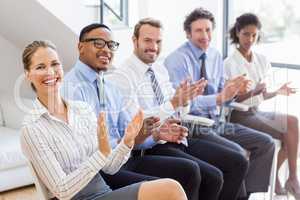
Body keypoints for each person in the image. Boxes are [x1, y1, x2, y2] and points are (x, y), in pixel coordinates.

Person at [20, 40, 187, 200]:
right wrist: (101, 155)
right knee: (170, 189)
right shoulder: (32, 129)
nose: (50, 72)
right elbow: (62, 191)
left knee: (171, 187)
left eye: (55, 64)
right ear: (28, 75)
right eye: (41, 67)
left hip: (104, 192)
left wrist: (127, 142)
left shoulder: (82, 109)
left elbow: (109, 168)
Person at [61, 23, 202, 200]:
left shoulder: (110, 87)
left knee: (189, 171)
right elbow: (87, 150)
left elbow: (129, 133)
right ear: (80, 47)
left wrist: (154, 135)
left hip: (125, 159)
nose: (106, 50)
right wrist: (128, 139)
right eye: (98, 43)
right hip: (99, 171)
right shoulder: (71, 87)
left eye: (111, 45)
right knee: (168, 188)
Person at [112, 18, 249, 200]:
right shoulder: (122, 76)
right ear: (134, 40)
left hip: (177, 136)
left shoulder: (159, 70)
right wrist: (174, 103)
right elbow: (138, 121)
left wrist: (185, 100)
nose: (153, 46)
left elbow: (178, 111)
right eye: (147, 40)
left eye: (158, 41)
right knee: (212, 177)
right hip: (152, 145)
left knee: (237, 161)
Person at [164, 7, 275, 199]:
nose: (205, 35)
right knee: (238, 155)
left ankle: (246, 194)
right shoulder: (177, 60)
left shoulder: (215, 55)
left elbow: (223, 93)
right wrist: (219, 98)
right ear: (188, 33)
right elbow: (181, 103)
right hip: (192, 125)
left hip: (217, 122)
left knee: (266, 142)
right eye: (198, 30)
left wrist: (234, 90)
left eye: (208, 30)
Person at [224, 13, 300, 198]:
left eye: (254, 35)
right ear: (237, 33)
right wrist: (254, 91)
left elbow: (262, 94)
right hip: (239, 115)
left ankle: (289, 177)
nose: (250, 39)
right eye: (245, 34)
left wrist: (277, 91)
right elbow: (229, 101)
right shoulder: (229, 63)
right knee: (289, 129)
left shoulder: (261, 60)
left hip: (256, 112)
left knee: (293, 125)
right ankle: (285, 180)